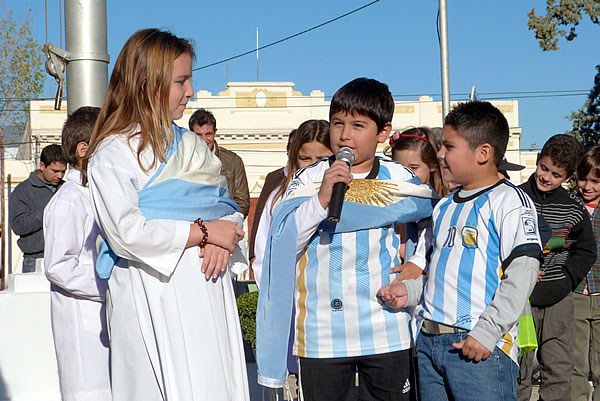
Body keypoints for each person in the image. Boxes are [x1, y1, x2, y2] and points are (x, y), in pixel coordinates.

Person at [84, 29, 249, 401]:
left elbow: (228, 207)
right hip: (152, 291)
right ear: (146, 84)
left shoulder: (193, 146)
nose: (190, 91)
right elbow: (128, 233)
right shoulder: (113, 153)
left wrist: (224, 236)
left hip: (209, 289)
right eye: (181, 81)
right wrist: (205, 233)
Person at [256, 78, 437, 401]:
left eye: (358, 125)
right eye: (337, 123)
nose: (345, 135)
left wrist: (417, 262)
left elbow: (433, 221)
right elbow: (281, 243)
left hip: (386, 326)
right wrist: (320, 201)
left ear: (383, 133)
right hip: (321, 332)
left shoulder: (400, 179)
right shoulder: (308, 178)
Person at [378, 101, 543, 401]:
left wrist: (486, 332)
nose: (440, 154)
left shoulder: (510, 201)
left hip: (477, 346)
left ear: (483, 153)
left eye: (449, 146)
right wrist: (410, 292)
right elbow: (440, 273)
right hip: (429, 343)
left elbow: (524, 271)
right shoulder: (443, 207)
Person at [517, 134, 596, 401]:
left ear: (569, 177)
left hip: (558, 300)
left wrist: (566, 279)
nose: (546, 177)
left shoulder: (574, 207)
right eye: (544, 168)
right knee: (519, 368)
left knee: (559, 368)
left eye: (556, 174)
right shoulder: (514, 197)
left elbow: (586, 250)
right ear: (538, 160)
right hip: (519, 300)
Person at [43, 106, 111, 401]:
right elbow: (59, 266)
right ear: (84, 150)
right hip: (82, 322)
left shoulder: (93, 194)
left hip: (102, 317)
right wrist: (111, 282)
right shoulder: (68, 201)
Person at [252, 120, 332, 288]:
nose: (313, 166)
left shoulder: (346, 195)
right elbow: (264, 251)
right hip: (291, 293)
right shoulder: (278, 198)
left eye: (322, 159)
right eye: (305, 158)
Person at [9, 144, 67, 273]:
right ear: (42, 166)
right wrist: (47, 212)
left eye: (63, 171)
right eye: (55, 171)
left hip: (65, 257)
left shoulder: (67, 189)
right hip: (35, 259)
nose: (60, 176)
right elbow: (19, 226)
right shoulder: (23, 191)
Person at [573, 145, 600, 401]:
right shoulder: (570, 208)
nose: (587, 186)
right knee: (576, 364)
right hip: (576, 293)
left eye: (595, 181)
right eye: (583, 179)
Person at [248, 128, 296, 269]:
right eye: (292, 147)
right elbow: (260, 215)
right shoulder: (274, 178)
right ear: (287, 150)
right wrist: (252, 253)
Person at [189, 108, 250, 217]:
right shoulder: (183, 160)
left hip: (224, 226)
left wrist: (227, 223)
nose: (204, 140)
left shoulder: (233, 162)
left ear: (215, 132)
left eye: (208, 134)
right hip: (194, 225)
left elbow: (242, 203)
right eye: (199, 135)